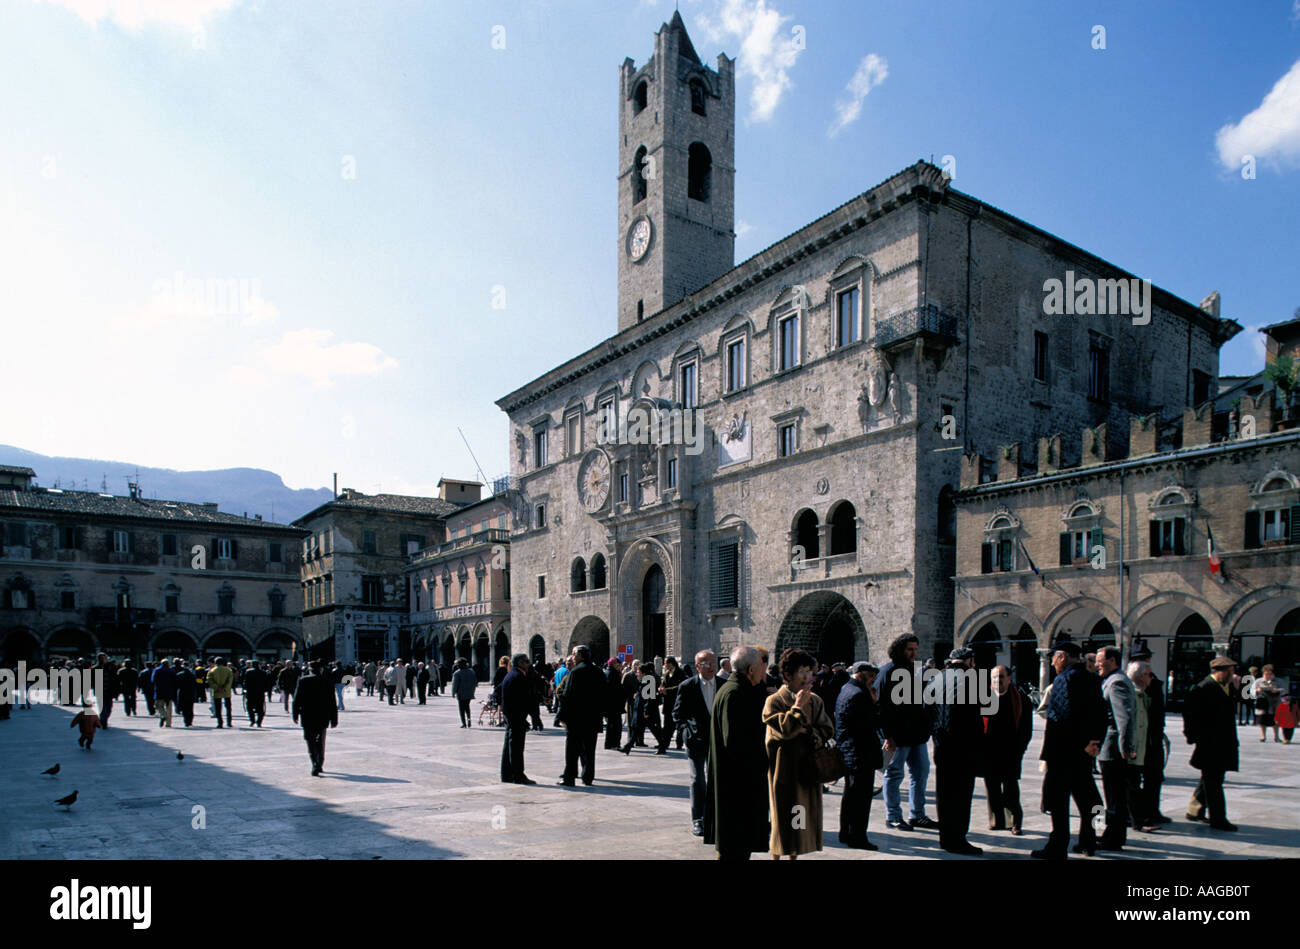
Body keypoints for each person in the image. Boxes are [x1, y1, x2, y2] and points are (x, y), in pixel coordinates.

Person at [1032, 642, 1106, 861]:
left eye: (1055, 656)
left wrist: (1083, 741)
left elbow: (1064, 716)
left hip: (1063, 752)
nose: (1053, 661)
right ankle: (1089, 840)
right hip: (1083, 753)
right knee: (1091, 800)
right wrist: (1094, 742)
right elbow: (1101, 713)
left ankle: (1057, 845)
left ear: (1062, 656)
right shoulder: (1092, 678)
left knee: (1058, 802)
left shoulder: (1064, 679)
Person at [761, 647, 834, 860]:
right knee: (783, 818)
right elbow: (783, 731)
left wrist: (809, 732)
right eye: (802, 672)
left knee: (800, 818)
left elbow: (826, 729)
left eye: (809, 672)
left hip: (808, 771)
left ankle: (795, 856)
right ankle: (776, 857)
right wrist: (798, 708)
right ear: (788, 675)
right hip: (783, 772)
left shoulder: (816, 701)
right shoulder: (774, 701)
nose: (807, 677)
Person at [704, 646, 770, 860]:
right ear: (751, 669)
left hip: (737, 789)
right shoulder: (734, 694)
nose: (764, 670)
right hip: (737, 790)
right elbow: (736, 745)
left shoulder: (738, 689)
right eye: (762, 666)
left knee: (736, 849)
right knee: (734, 850)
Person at [874, 634, 939, 832]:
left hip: (917, 735)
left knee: (920, 773)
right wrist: (887, 735)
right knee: (894, 774)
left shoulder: (917, 670)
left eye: (916, 649)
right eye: (910, 649)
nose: (914, 653)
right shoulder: (887, 672)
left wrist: (928, 723)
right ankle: (893, 816)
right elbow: (881, 707)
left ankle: (917, 814)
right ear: (900, 649)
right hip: (897, 736)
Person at [932, 647, 985, 856]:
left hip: (941, 746)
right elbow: (975, 717)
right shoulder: (971, 679)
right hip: (963, 748)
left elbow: (928, 710)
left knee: (944, 794)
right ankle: (958, 839)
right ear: (970, 661)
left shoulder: (937, 678)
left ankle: (946, 838)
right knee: (961, 795)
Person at [1184, 655, 1240, 831]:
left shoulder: (1226, 687)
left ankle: (1194, 810)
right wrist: (1194, 738)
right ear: (1219, 672)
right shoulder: (1203, 688)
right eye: (1230, 672)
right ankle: (1218, 818)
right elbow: (1191, 715)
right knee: (1213, 781)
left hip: (1223, 742)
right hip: (1210, 743)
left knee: (1211, 778)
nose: (1233, 675)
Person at [835, 660, 883, 850]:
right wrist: (875, 703)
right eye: (870, 676)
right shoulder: (859, 694)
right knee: (861, 799)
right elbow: (870, 723)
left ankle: (845, 832)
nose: (873, 680)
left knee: (850, 795)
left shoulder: (846, 688)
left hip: (850, 751)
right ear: (861, 674)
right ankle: (857, 837)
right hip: (860, 753)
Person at [675, 649, 720, 836]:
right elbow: (677, 714)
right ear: (697, 666)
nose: (710, 666)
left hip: (718, 742)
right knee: (697, 779)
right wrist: (686, 732)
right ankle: (698, 819)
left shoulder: (724, 685)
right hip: (695, 740)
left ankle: (716, 816)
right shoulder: (687, 686)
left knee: (717, 780)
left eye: (713, 662)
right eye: (705, 663)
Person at [982, 665, 1031, 834]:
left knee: (1011, 789)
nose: (998, 680)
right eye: (994, 677)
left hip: (1011, 752)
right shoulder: (985, 697)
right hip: (989, 752)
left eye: (1001, 677)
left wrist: (1020, 750)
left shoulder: (1020, 699)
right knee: (992, 788)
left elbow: (1026, 729)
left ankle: (1015, 821)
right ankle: (997, 820)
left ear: (1009, 678)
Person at [1097, 645, 1136, 851]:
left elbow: (1124, 718)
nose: (1096, 664)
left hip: (1113, 748)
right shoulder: (1113, 680)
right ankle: (1113, 834)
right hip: (1111, 747)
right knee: (1114, 795)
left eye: (1100, 660)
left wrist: (1125, 747)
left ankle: (1113, 837)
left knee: (1114, 796)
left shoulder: (1117, 682)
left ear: (1112, 660)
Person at [1129, 640, 1170, 824]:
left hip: (1153, 735)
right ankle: (1139, 813)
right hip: (1139, 737)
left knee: (1154, 776)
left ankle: (1152, 810)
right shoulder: (1131, 685)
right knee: (1135, 778)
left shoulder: (1155, 683)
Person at [557, 645, 604, 786]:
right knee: (589, 749)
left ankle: (569, 778)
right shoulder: (598, 671)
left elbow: (567, 695)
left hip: (576, 719)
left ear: (581, 656)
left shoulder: (576, 672)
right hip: (593, 718)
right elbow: (604, 695)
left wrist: (562, 715)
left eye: (574, 654)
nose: (572, 657)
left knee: (572, 750)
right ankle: (587, 776)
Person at [1124, 661, 1159, 833]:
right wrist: (1130, 748)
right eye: (1149, 674)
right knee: (1131, 786)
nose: (1151, 678)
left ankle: (1133, 819)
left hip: (1139, 750)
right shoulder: (1132, 695)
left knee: (1132, 785)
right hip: (1131, 751)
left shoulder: (1142, 695)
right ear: (1141, 676)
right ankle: (1135, 821)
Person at [293, 660, 338, 776]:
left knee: (310, 741)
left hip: (307, 716)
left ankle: (314, 763)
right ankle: (320, 763)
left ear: (309, 669)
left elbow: (296, 699)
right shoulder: (327, 681)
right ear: (321, 669)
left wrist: (295, 714)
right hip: (323, 716)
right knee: (321, 741)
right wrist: (334, 719)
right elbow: (332, 702)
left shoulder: (303, 680)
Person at [500, 654, 538, 784]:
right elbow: (523, 698)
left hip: (510, 714)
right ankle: (518, 775)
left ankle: (506, 774)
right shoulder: (518, 676)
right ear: (520, 663)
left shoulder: (511, 674)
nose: (529, 664)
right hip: (516, 715)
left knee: (509, 745)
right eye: (527, 661)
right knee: (516, 746)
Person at [620, 662, 666, 753]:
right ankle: (628, 747)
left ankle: (662, 746)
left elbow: (649, 698)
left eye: (638, 672)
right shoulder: (644, 680)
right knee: (636, 729)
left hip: (645, 711)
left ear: (643, 673)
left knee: (654, 730)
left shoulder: (648, 681)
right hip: (641, 710)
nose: (637, 674)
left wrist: (646, 711)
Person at [658, 656, 687, 752]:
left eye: (666, 663)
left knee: (678, 724)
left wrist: (667, 690)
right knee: (667, 725)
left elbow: (681, 686)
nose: (664, 665)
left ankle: (679, 743)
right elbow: (663, 684)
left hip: (676, 702)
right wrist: (661, 689)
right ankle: (665, 743)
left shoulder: (680, 672)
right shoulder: (666, 673)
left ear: (671, 663)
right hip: (667, 703)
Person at [1255, 665, 1284, 743]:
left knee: (1275, 720)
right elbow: (1252, 691)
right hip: (1262, 703)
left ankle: (1276, 736)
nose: (1268, 676)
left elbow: (1284, 691)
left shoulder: (1279, 681)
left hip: (1274, 703)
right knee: (1262, 720)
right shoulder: (1258, 681)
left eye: (1269, 674)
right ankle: (1263, 736)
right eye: (1266, 674)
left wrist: (1277, 690)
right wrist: (1258, 690)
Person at [603, 658, 625, 750]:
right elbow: (617, 689)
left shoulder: (607, 672)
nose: (619, 666)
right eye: (618, 664)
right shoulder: (613, 674)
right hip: (614, 704)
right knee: (616, 725)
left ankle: (609, 743)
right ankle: (615, 743)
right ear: (614, 664)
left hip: (610, 704)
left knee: (610, 725)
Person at [207, 657, 234, 728]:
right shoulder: (228, 670)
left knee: (218, 708)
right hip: (226, 691)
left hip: (216, 691)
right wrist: (225, 688)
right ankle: (229, 722)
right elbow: (230, 681)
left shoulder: (211, 671)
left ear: (215, 663)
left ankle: (220, 723)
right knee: (228, 707)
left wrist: (217, 688)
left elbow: (210, 681)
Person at [94, 654, 117, 729]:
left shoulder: (111, 668)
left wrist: (116, 691)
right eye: (101, 658)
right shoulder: (95, 668)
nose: (103, 660)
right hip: (99, 691)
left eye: (104, 658)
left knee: (109, 708)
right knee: (102, 708)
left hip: (109, 691)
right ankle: (104, 722)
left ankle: (103, 719)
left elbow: (115, 679)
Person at [452, 658, 477, 727]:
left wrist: (453, 693)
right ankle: (469, 719)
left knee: (461, 708)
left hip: (461, 693)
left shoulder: (457, 673)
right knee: (467, 707)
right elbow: (475, 682)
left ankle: (464, 723)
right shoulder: (471, 671)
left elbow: (455, 684)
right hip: (469, 692)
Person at [153, 658, 176, 728]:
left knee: (158, 706)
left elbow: (153, 680)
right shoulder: (171, 671)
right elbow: (175, 681)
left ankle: (163, 715)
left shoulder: (157, 670)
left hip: (159, 691)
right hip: (169, 692)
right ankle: (168, 723)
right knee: (169, 708)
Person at [244, 661, 269, 727]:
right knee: (260, 708)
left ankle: (252, 720)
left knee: (249, 707)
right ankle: (259, 722)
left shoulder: (248, 672)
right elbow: (266, 683)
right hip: (260, 693)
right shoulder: (263, 672)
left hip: (250, 692)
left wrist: (245, 690)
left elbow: (245, 682)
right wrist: (265, 690)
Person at [174, 659, 196, 727]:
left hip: (182, 693)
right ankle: (190, 721)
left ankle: (186, 721)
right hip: (190, 693)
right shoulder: (192, 675)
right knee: (190, 708)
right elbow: (195, 684)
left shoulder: (179, 674)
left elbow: (176, 685)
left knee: (184, 708)